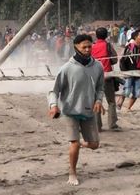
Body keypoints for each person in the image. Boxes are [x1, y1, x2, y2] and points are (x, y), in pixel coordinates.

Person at [48, 34, 104, 186]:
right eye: (83, 47)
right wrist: (53, 105)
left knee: (94, 144)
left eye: (89, 46)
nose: (87, 49)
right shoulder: (67, 68)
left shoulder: (98, 66)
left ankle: (80, 144)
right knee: (74, 143)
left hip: (89, 111)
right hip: (70, 111)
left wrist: (99, 100)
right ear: (76, 47)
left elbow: (100, 88)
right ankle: (72, 172)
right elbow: (54, 91)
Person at [92, 27, 121, 131]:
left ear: (96, 35)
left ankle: (97, 126)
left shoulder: (92, 46)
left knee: (96, 101)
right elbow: (114, 59)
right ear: (106, 35)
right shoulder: (108, 45)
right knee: (111, 101)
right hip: (107, 77)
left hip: (94, 77)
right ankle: (112, 124)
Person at [117, 29, 140, 111]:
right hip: (129, 72)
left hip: (139, 72)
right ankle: (120, 102)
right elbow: (122, 61)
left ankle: (128, 108)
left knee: (137, 92)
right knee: (127, 90)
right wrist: (125, 72)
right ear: (135, 37)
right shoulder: (130, 47)